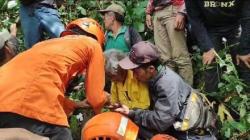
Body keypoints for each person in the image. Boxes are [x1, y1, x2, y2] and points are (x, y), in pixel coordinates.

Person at [0, 18, 107, 140]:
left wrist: (74, 104)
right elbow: (95, 98)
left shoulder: (43, 45)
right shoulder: (92, 44)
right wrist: (102, 106)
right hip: (32, 106)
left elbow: (39, 82)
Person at [114, 41, 216, 139]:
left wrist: (134, 114)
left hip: (193, 132)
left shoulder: (167, 85)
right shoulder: (156, 75)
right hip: (174, 121)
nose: (133, 75)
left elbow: (160, 122)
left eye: (135, 71)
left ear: (151, 69)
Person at [185, 0, 250, 92]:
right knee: (210, 65)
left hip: (234, 25)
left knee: (244, 62)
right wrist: (207, 47)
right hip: (210, 28)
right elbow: (195, 19)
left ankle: (247, 97)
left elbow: (247, 18)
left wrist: (244, 49)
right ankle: (213, 102)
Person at [145, 0, 193, 85]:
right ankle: (173, 93)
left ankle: (188, 94)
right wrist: (148, 12)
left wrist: (182, 12)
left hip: (172, 9)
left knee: (181, 57)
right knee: (165, 59)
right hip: (156, 12)